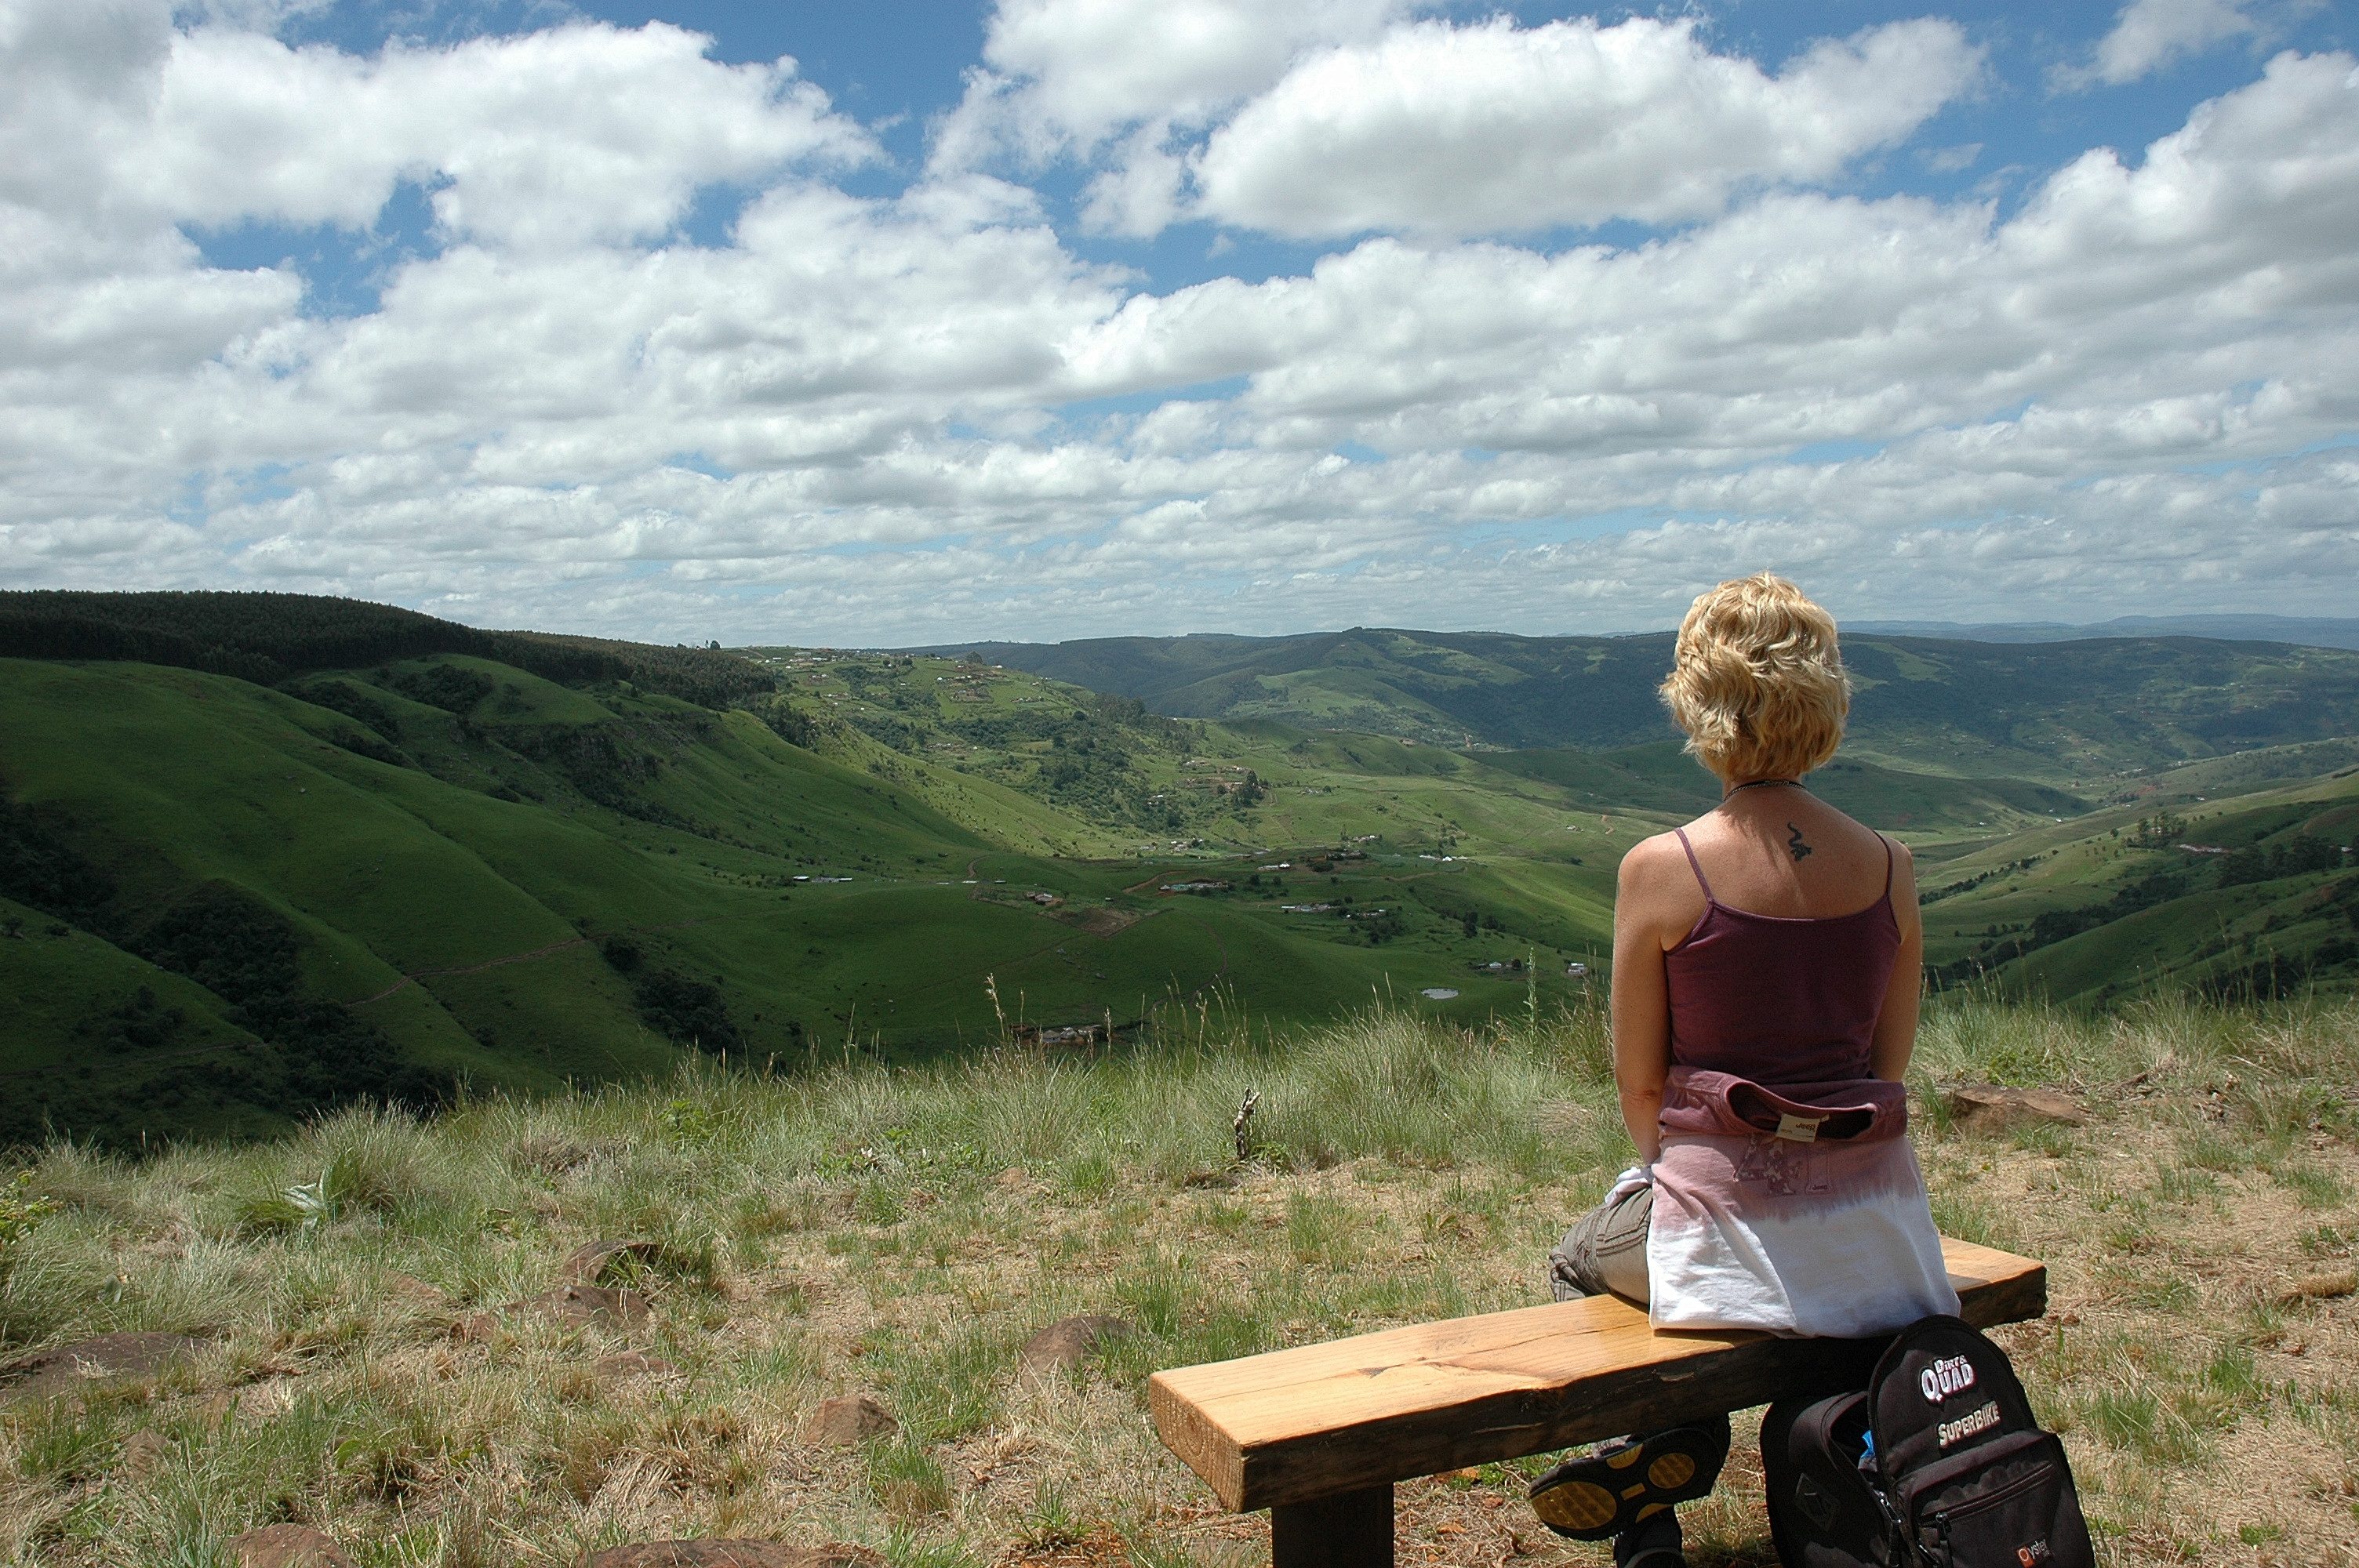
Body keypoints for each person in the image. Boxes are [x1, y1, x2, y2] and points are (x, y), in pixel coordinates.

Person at [1527, 574, 1959, 1568]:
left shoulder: (1661, 867)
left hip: (1721, 1219)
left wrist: (1668, 1170)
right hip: (1874, 1225)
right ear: (1825, 702)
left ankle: (1648, 1486)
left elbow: (1640, 1087)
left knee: (1576, 1257)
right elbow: (1884, 1064)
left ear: (1697, 703)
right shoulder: (1889, 863)